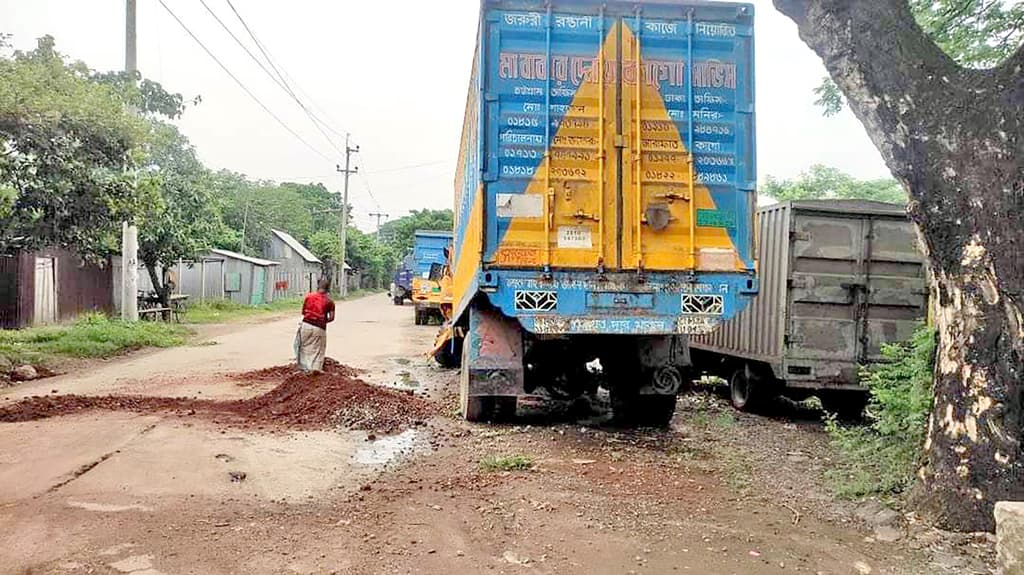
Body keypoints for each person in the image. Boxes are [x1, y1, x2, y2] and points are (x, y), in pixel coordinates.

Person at [295, 278, 335, 372]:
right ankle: (315, 372)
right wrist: (322, 321)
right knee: (318, 350)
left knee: (303, 347)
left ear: (318, 286)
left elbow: (303, 312)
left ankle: (303, 371)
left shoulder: (309, 297)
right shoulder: (329, 301)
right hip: (319, 327)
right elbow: (332, 318)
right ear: (328, 289)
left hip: (306, 325)